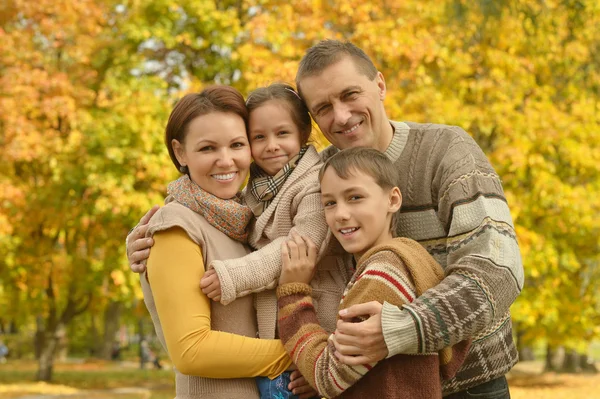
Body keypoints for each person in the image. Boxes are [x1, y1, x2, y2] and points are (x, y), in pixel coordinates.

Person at [128, 40, 524, 397]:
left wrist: (399, 330)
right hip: (369, 380)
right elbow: (246, 220)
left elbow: (497, 271)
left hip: (469, 383)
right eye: (322, 108)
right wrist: (156, 237)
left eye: (350, 94)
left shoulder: (444, 150)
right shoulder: (324, 175)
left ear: (380, 86)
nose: (341, 115)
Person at [139, 86, 296, 399]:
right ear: (180, 152)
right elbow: (191, 349)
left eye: (237, 145)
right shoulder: (176, 226)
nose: (226, 161)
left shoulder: (243, 223)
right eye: (208, 148)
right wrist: (302, 354)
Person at [277, 147, 470, 398]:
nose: (341, 215)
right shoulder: (414, 259)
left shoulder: (383, 274)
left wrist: (293, 294)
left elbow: (328, 377)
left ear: (392, 200)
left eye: (355, 197)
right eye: (330, 203)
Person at [198, 83, 350, 399]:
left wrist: (233, 276)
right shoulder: (254, 187)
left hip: (317, 324)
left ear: (303, 131)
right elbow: (207, 206)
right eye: (259, 137)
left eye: (282, 133)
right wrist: (147, 233)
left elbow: (299, 246)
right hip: (268, 335)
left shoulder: (315, 182)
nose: (271, 146)